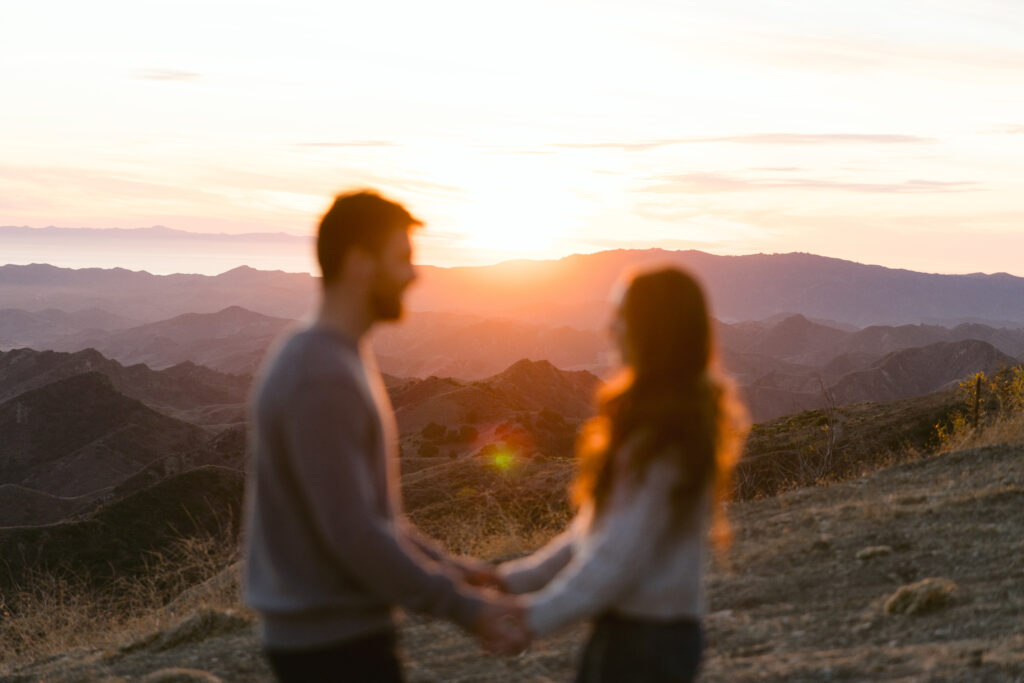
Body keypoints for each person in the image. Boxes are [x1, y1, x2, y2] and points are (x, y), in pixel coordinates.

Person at [242, 190, 526, 683]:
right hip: (331, 651)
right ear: (358, 263)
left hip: (335, 637)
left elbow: (374, 519)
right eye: (402, 259)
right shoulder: (321, 373)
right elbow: (354, 534)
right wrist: (464, 609)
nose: (415, 275)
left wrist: (454, 569)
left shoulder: (337, 357)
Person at [496, 266, 749, 682]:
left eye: (623, 316)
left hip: (646, 645)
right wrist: (513, 581)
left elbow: (616, 557)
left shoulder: (665, 434)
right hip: (640, 636)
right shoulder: (662, 420)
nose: (610, 328)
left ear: (653, 330)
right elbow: (593, 533)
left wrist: (530, 620)